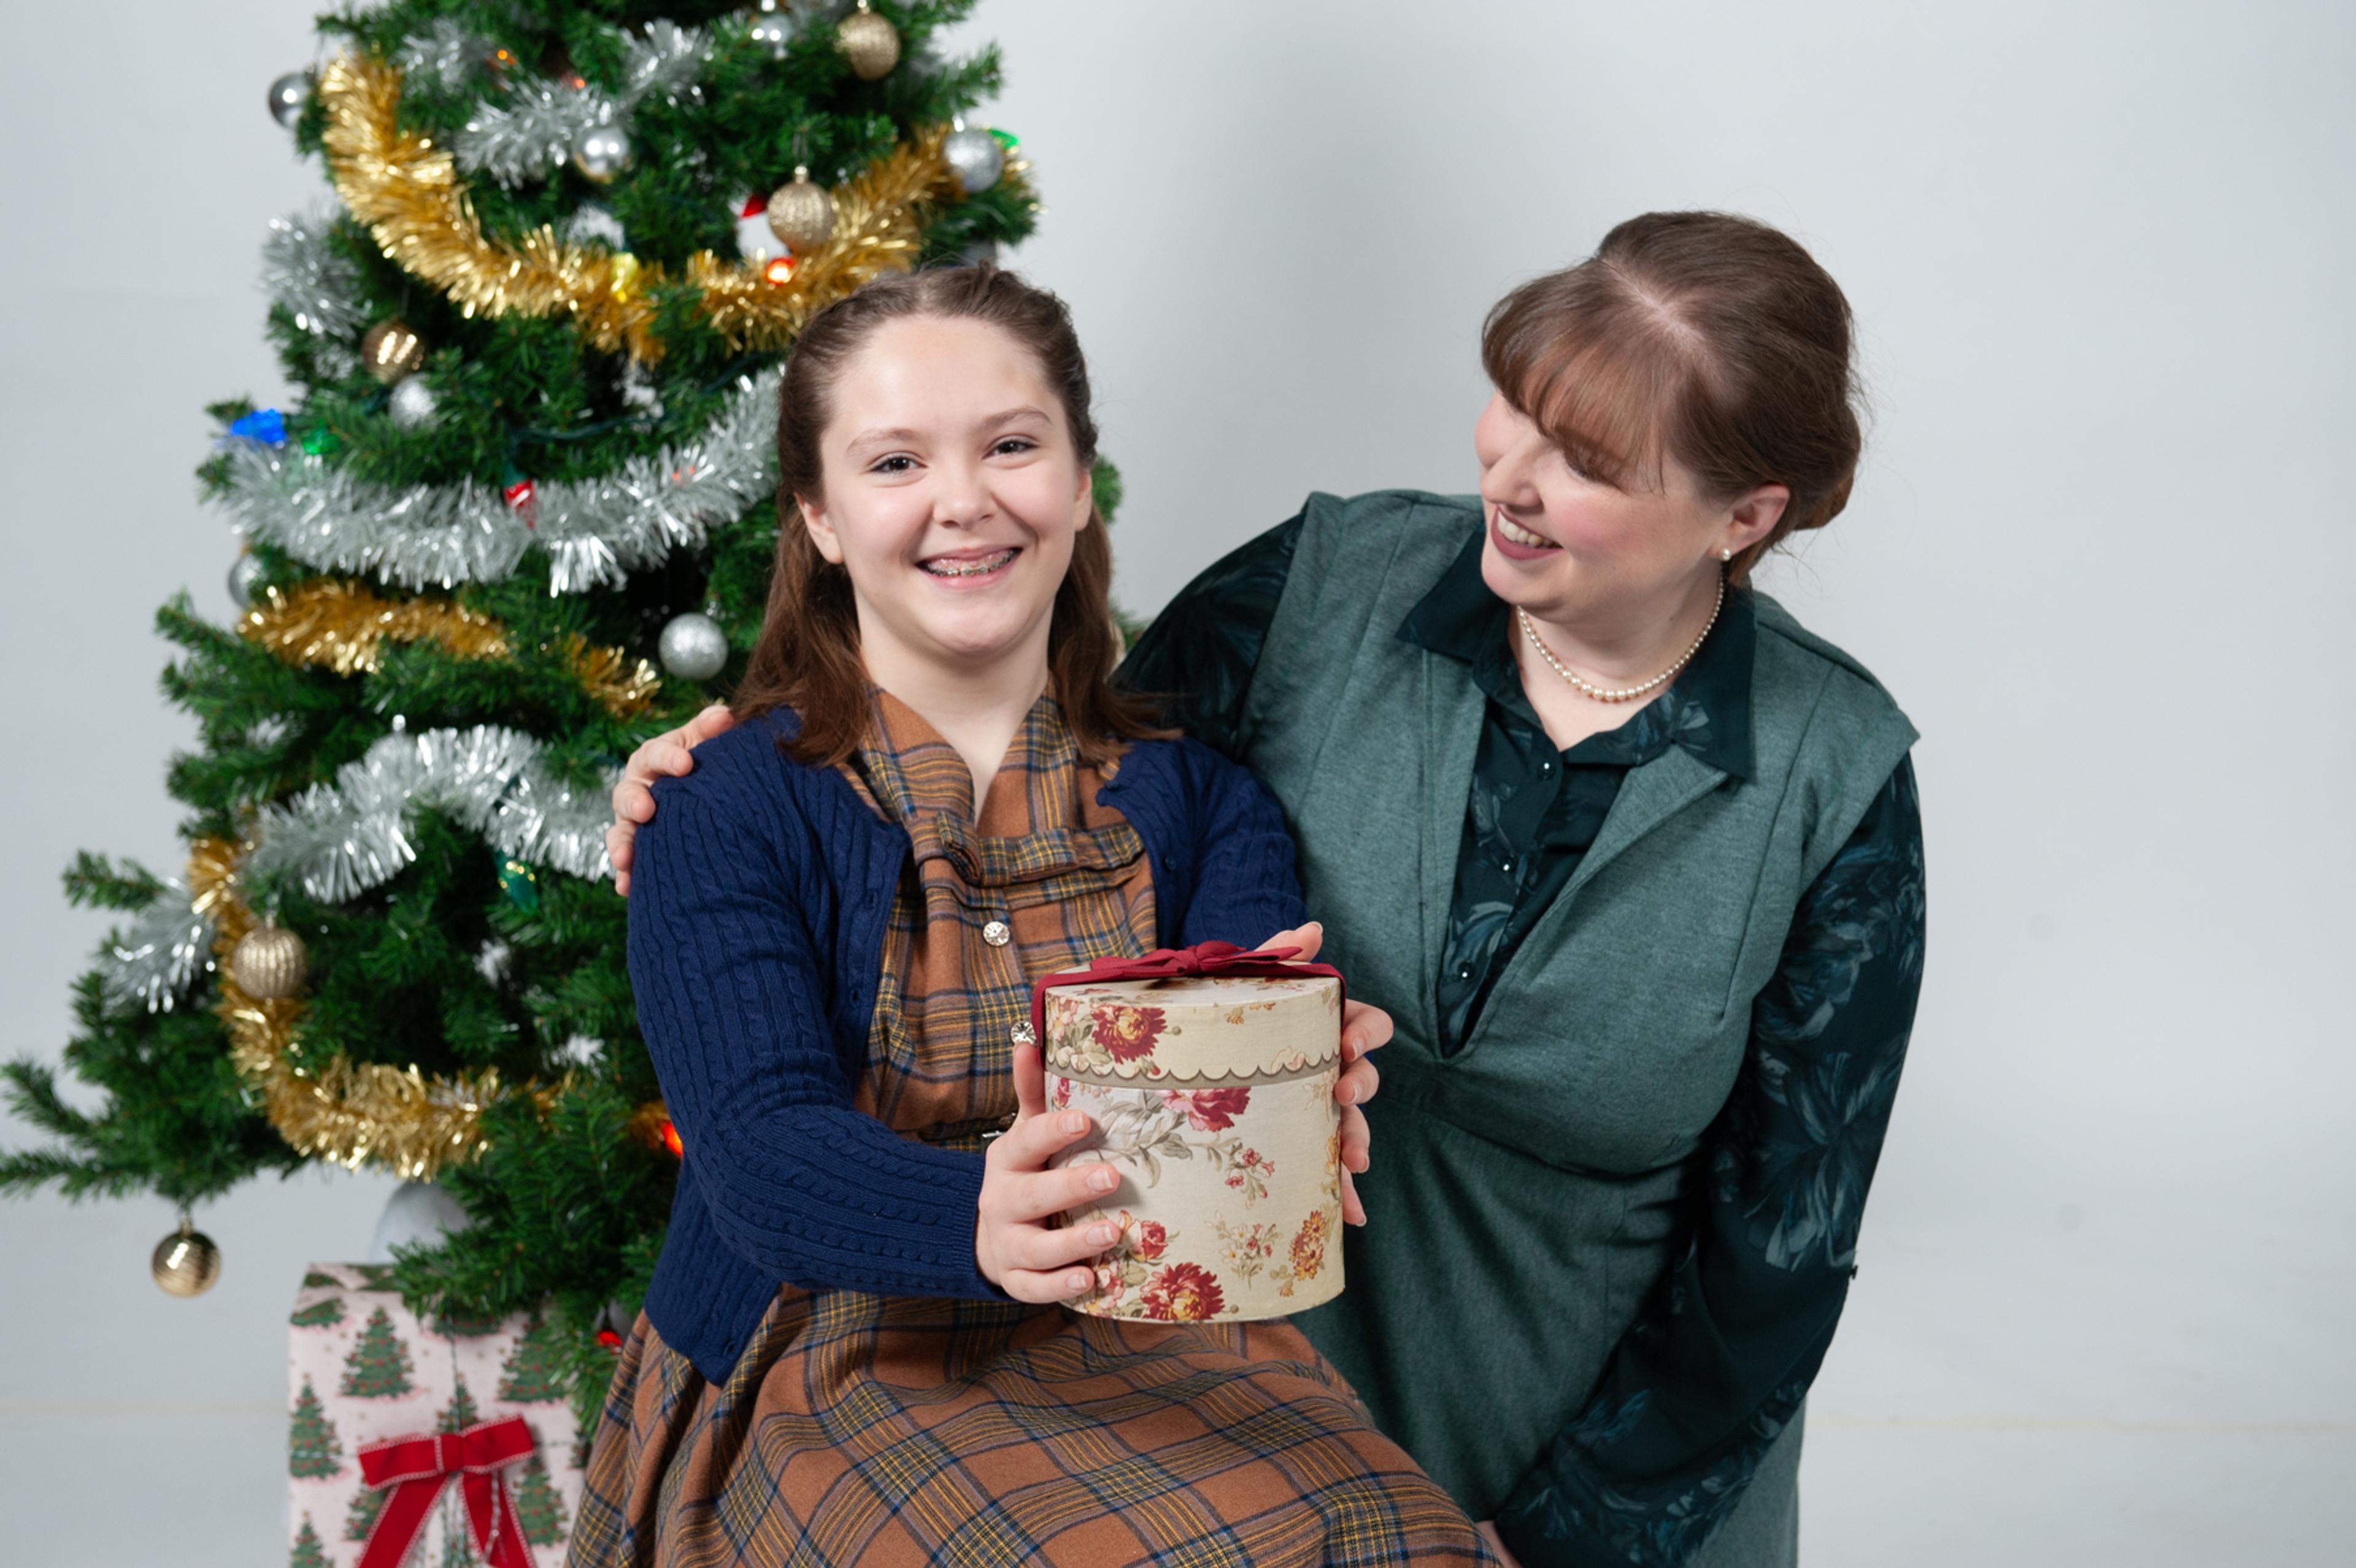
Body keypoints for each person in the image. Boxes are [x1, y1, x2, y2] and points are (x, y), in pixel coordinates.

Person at [608, 213, 1925, 1568]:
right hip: (1167, 1364)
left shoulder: (1833, 775)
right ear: (816, 512)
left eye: (1585, 462)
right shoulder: (1323, 594)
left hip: (1583, 1445)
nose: (1511, 481)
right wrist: (710, 772)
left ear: (1745, 516)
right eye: (1515, 417)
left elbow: (1778, 1258)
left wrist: (1570, 1538)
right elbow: (1048, 734)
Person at [569, 264, 1493, 1567]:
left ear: (1075, 478)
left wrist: (1293, 1093)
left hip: (1157, 1334)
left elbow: (1232, 1080)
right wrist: (976, 1221)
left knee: (1399, 1541)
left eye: (1012, 445)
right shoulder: (724, 803)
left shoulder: (1204, 802)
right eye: (894, 463)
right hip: (828, 1348)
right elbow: (762, 1154)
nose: (966, 501)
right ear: (819, 517)